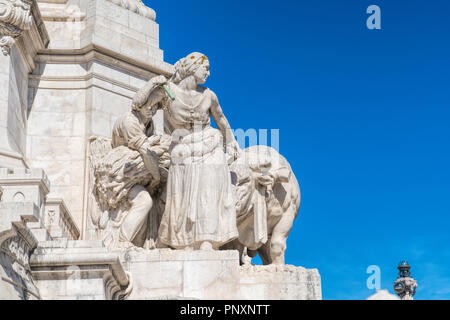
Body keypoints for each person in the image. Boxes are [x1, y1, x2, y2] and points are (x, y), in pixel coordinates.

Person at [157, 52, 240, 250]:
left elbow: (221, 119)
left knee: (208, 194)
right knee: (182, 197)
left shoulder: (208, 95)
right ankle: (183, 241)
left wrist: (232, 141)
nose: (209, 73)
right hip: (182, 149)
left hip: (209, 145)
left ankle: (207, 240)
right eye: (206, 68)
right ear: (193, 67)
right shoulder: (168, 91)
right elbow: (144, 109)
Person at [92, 75, 171, 248]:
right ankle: (121, 241)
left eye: (156, 106)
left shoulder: (148, 125)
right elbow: (147, 153)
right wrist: (157, 176)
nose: (152, 109)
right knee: (145, 201)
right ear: (141, 102)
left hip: (133, 176)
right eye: (149, 103)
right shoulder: (129, 121)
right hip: (118, 177)